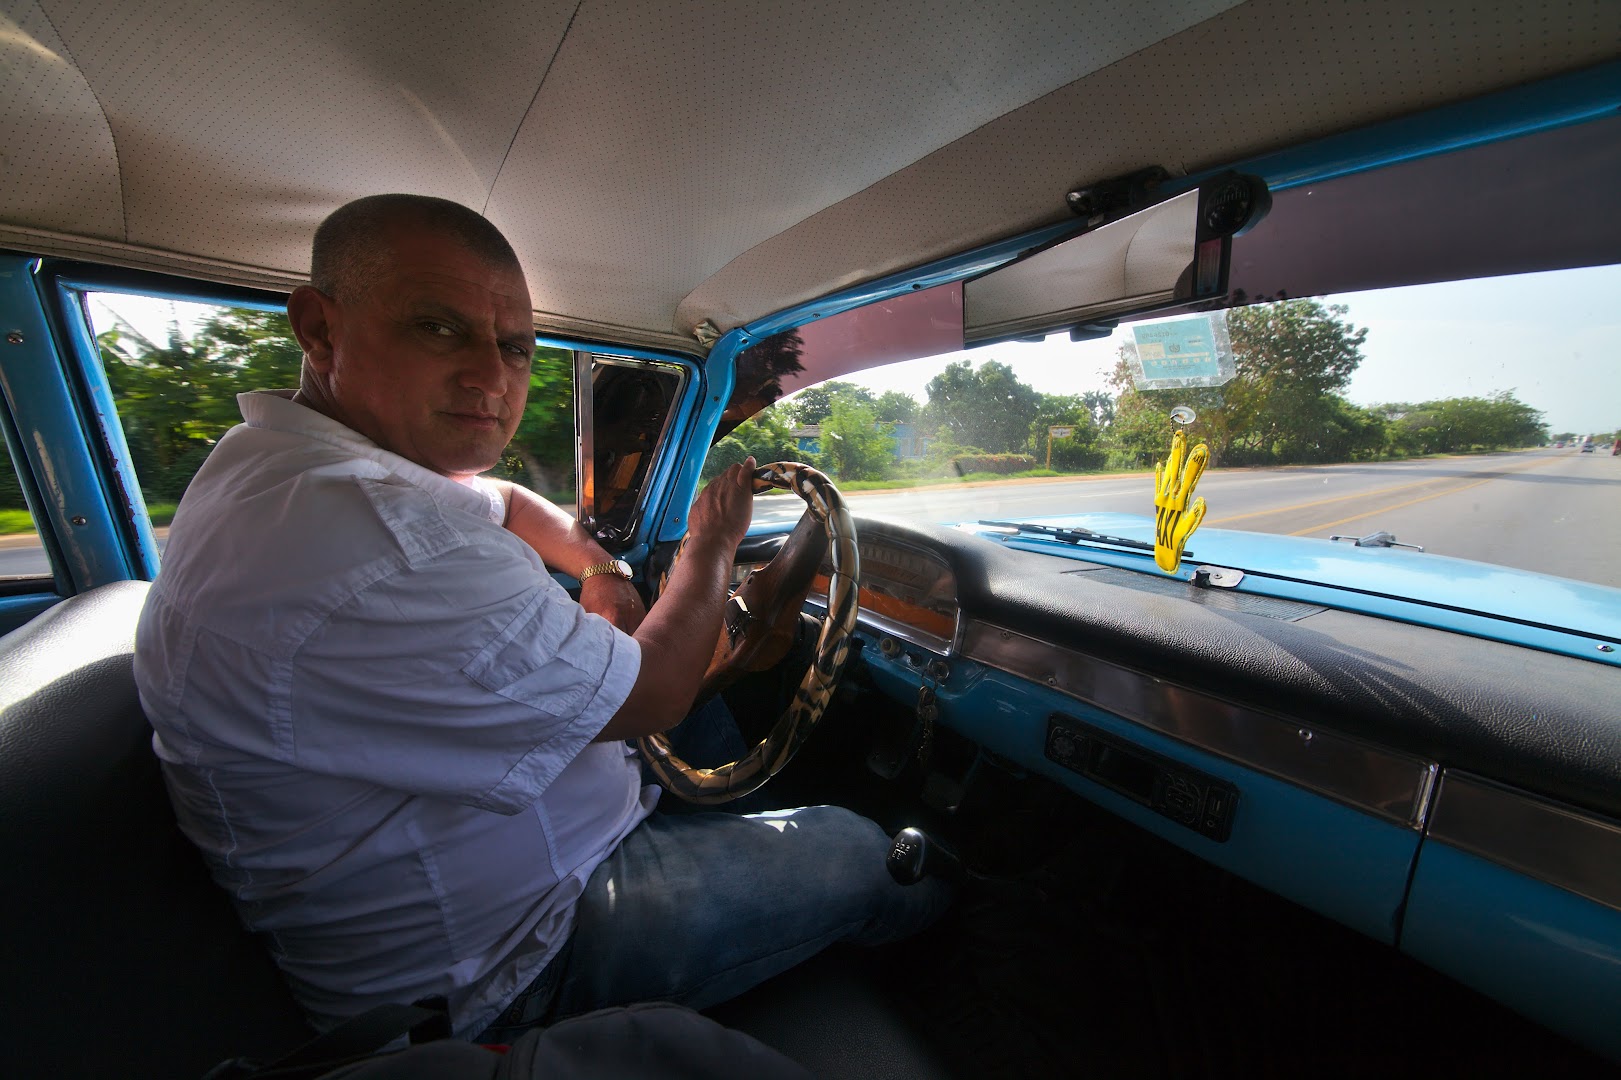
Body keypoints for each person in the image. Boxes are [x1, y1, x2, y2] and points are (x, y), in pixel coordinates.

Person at [133, 194, 949, 1042]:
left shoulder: (298, 465)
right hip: (509, 963)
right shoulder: (382, 541)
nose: (491, 376)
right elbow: (656, 696)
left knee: (712, 700)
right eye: (437, 328)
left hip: (537, 850)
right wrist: (708, 549)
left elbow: (510, 499)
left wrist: (601, 572)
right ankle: (968, 973)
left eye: (515, 345)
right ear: (319, 328)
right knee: (863, 850)